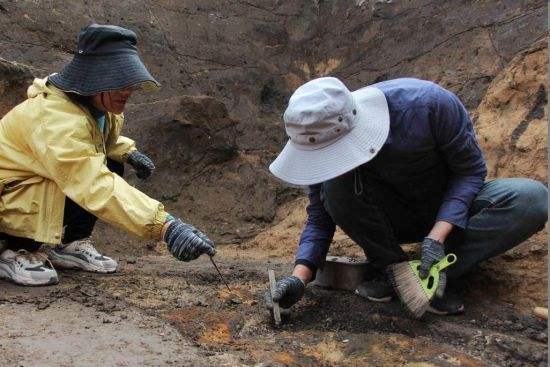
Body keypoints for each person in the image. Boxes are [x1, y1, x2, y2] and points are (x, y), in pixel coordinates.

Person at [267, 77, 547, 315]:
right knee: (334, 187)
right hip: (390, 221)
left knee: (531, 199)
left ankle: (436, 273)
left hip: (450, 211)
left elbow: (470, 172)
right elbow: (320, 216)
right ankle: (393, 268)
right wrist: (299, 278)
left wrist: (438, 235)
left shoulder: (428, 106)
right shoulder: (320, 135)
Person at [0, 24, 215, 286]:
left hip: (36, 184)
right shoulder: (54, 118)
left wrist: (127, 152)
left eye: (130, 81)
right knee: (75, 176)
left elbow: (97, 141)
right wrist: (165, 226)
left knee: (109, 160)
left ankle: (70, 244)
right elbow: (90, 180)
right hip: (10, 195)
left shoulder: (96, 107)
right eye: (119, 82)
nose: (128, 90)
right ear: (94, 78)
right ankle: (12, 251)